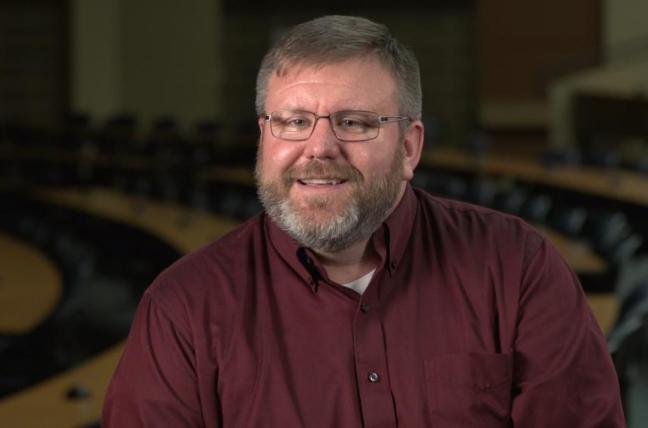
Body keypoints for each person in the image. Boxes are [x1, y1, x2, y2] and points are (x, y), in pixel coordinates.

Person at [103, 15, 625, 427]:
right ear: (265, 140)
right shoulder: (183, 309)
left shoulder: (516, 269)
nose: (319, 148)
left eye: (354, 122)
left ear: (409, 147)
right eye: (294, 122)